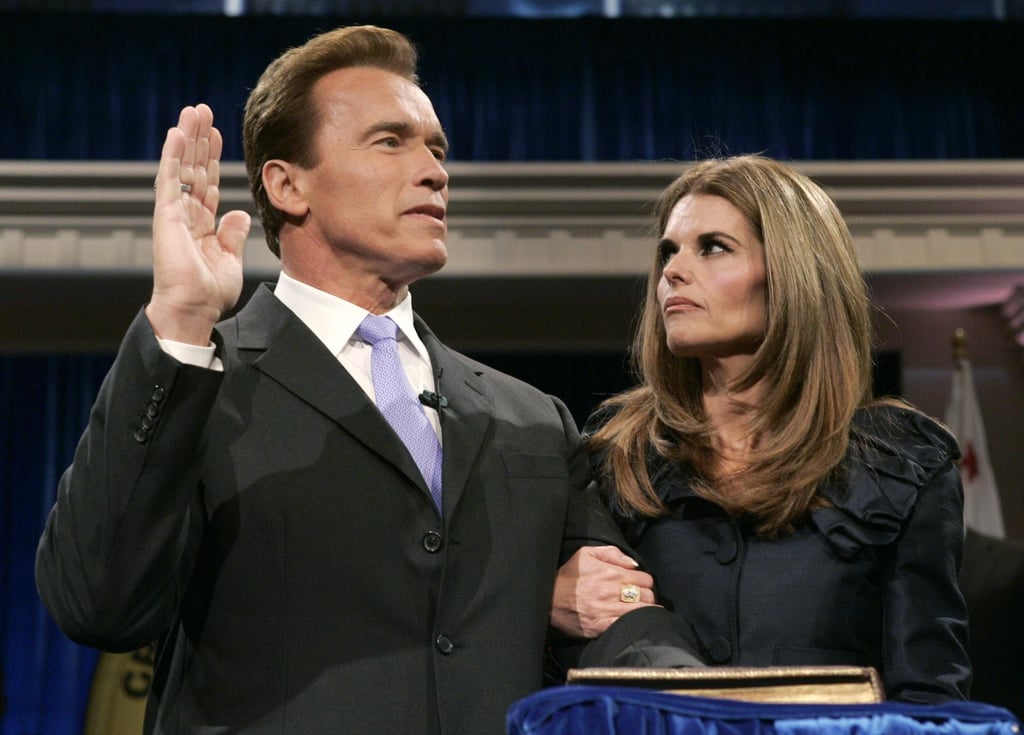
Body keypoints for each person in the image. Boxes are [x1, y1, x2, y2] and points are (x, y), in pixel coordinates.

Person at [34, 25, 700, 735]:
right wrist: (181, 315)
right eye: (391, 142)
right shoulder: (202, 383)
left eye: (437, 149)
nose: (435, 171)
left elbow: (621, 610)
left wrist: (728, 700)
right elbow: (96, 603)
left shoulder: (532, 419)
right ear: (288, 185)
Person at [552, 154, 972, 703]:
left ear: (793, 273)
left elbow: (929, 695)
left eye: (713, 247)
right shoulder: (617, 453)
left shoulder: (902, 462)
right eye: (668, 251)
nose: (672, 271)